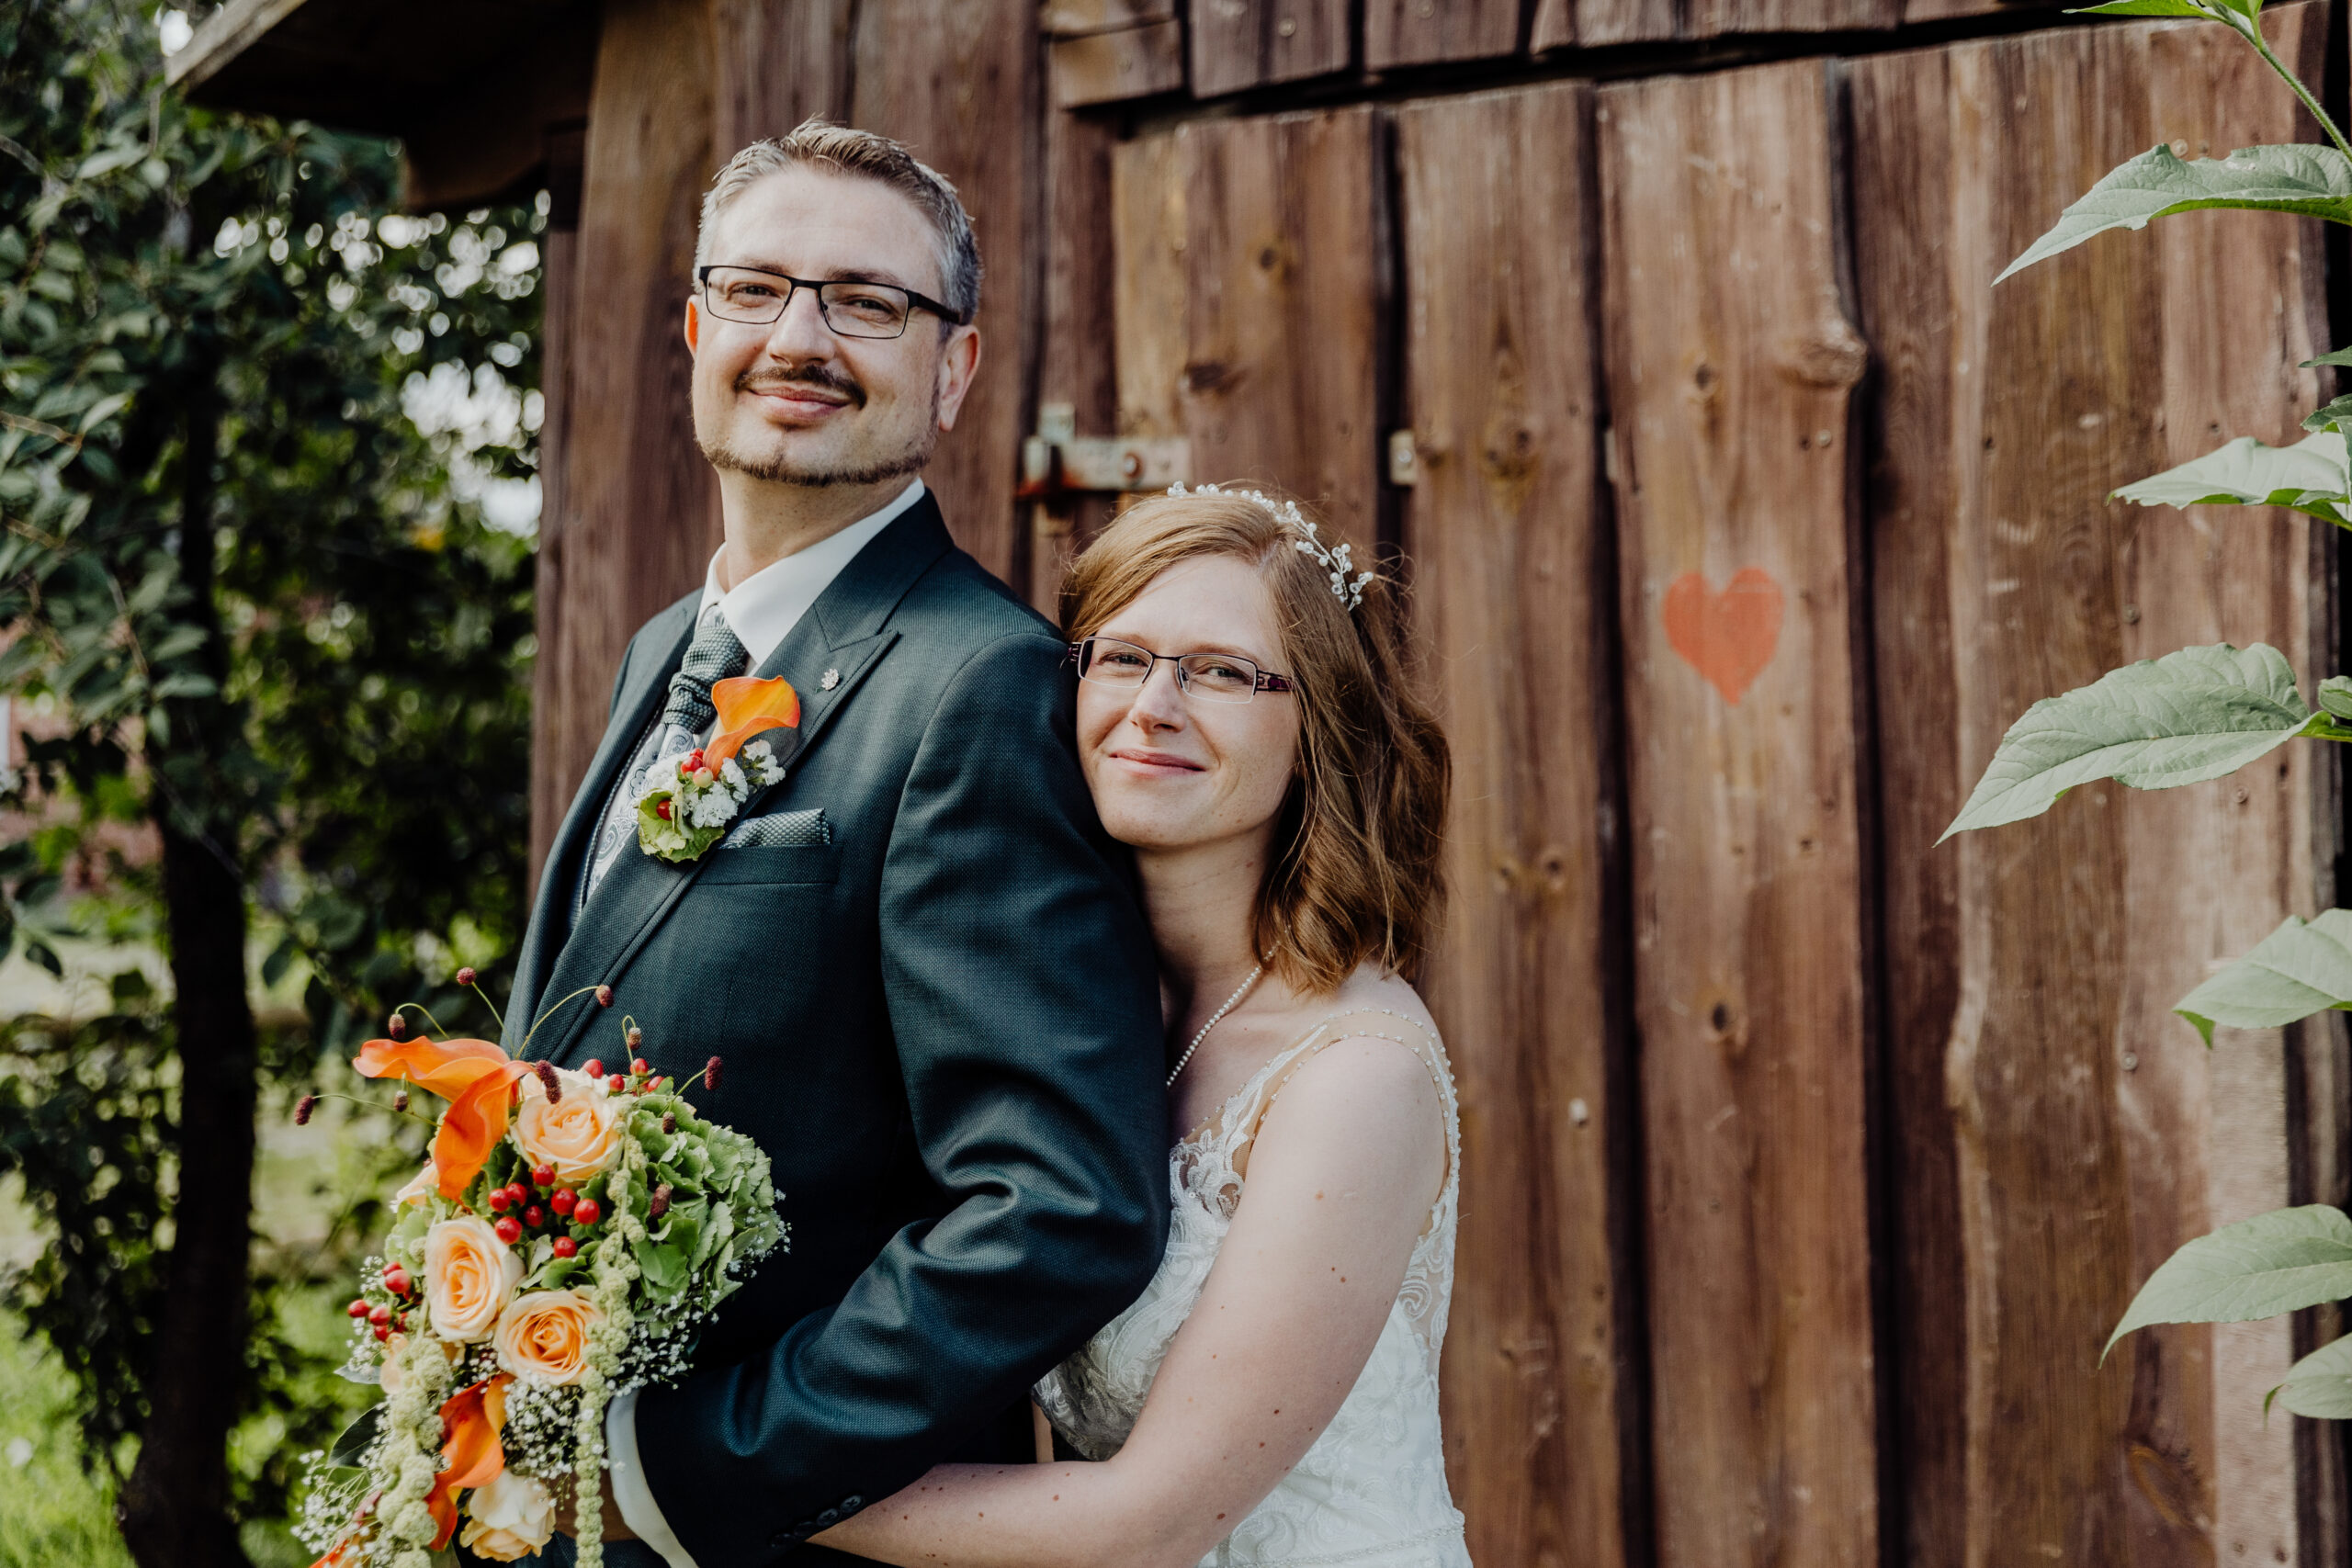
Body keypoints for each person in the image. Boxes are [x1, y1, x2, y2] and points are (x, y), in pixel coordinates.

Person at [506, 120, 1168, 1566]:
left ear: (956, 367)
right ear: (696, 326)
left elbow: (1059, 1202)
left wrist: (697, 1466)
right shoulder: (665, 650)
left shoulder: (980, 684)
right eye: (755, 290)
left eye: (867, 302)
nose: (798, 336)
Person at [815, 484, 1468, 1568]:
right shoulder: (1067, 1021)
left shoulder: (1355, 1075)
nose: (1154, 706)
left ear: (1316, 728)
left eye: (1219, 671)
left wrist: (724, 1483)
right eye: (1120, 658)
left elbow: (1149, 1523)